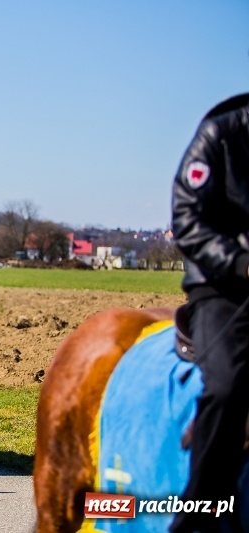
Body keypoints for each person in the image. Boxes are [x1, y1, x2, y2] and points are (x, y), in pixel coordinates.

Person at [170, 92, 249, 533]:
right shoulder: (220, 133)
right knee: (228, 386)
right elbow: (188, 219)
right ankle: (197, 517)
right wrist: (240, 262)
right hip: (223, 286)